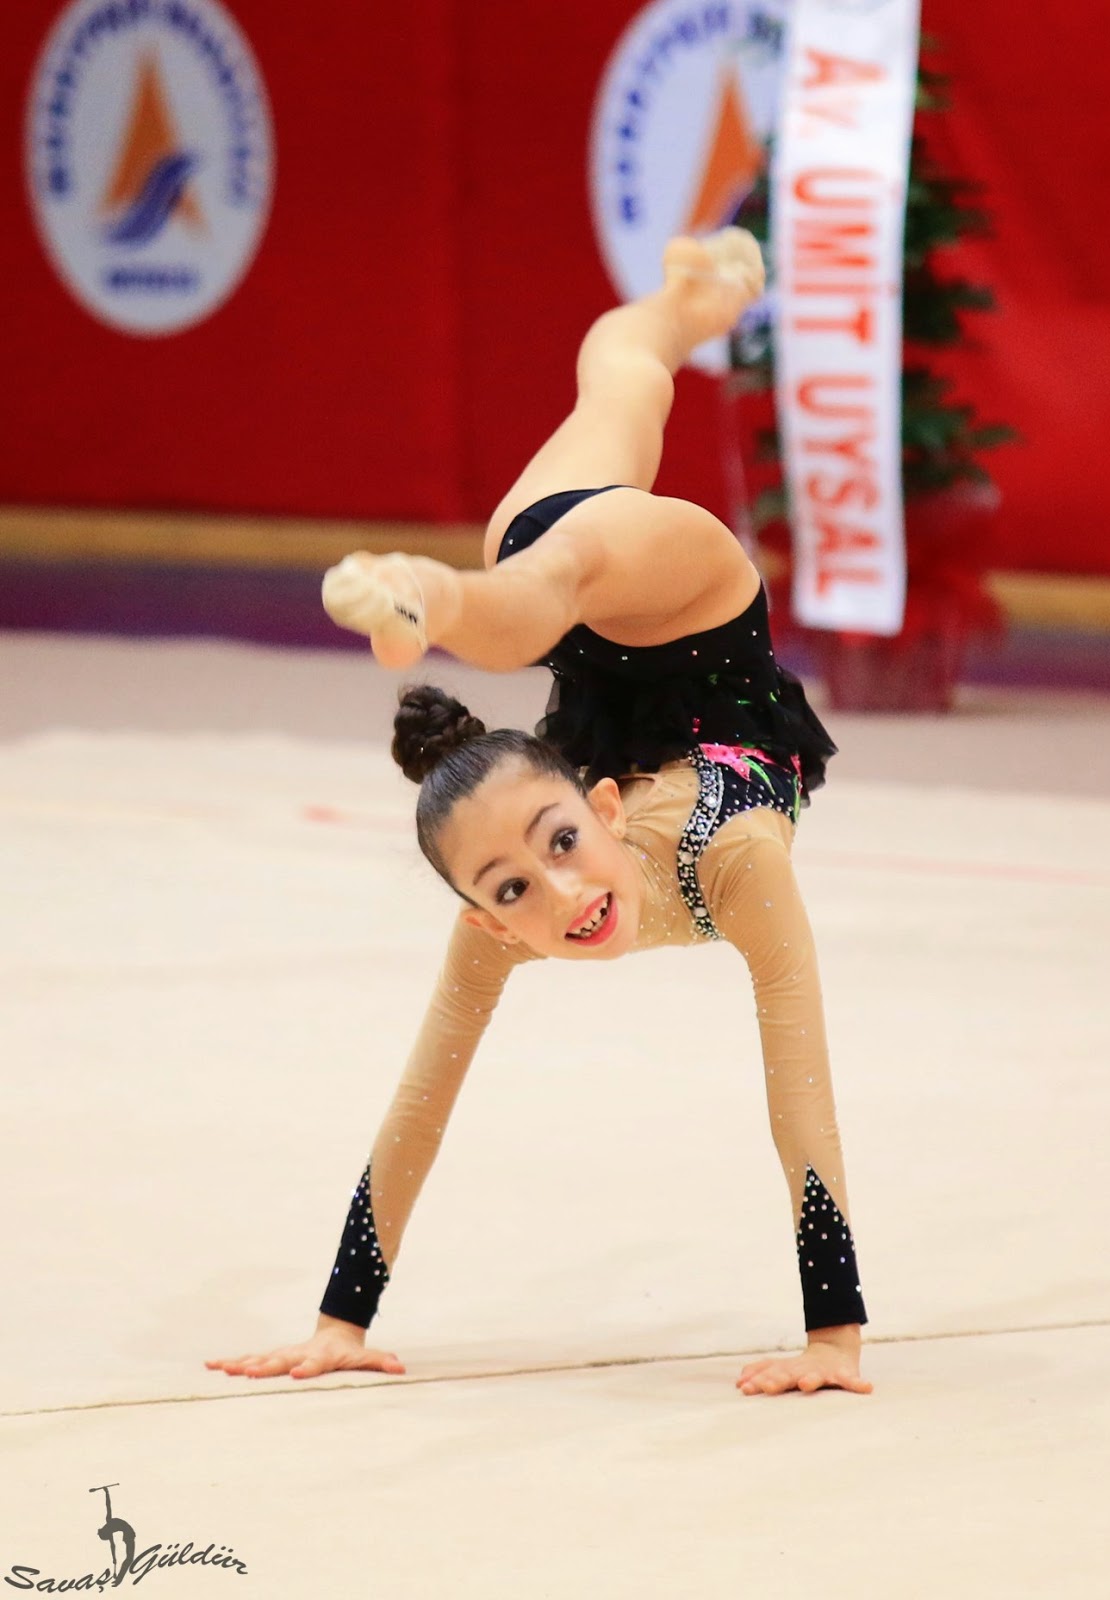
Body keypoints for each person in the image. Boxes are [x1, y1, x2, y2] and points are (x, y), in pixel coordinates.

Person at [207, 230, 872, 1399]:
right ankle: (691, 298)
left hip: (675, 598)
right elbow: (423, 1097)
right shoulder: (514, 925)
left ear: (600, 801)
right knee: (620, 385)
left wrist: (834, 1335)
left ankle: (428, 594)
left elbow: (800, 1079)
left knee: (565, 518)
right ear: (484, 917)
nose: (564, 893)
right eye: (513, 888)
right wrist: (340, 1320)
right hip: (600, 611)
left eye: (562, 843)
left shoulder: (736, 855)